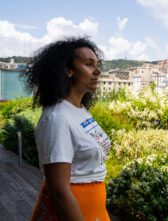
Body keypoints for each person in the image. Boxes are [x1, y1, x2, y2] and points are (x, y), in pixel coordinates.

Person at [25, 37, 111, 221]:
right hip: (73, 211)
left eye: (97, 64)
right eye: (89, 64)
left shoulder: (80, 110)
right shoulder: (57, 118)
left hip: (95, 206)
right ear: (68, 70)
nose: (97, 71)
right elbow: (59, 191)